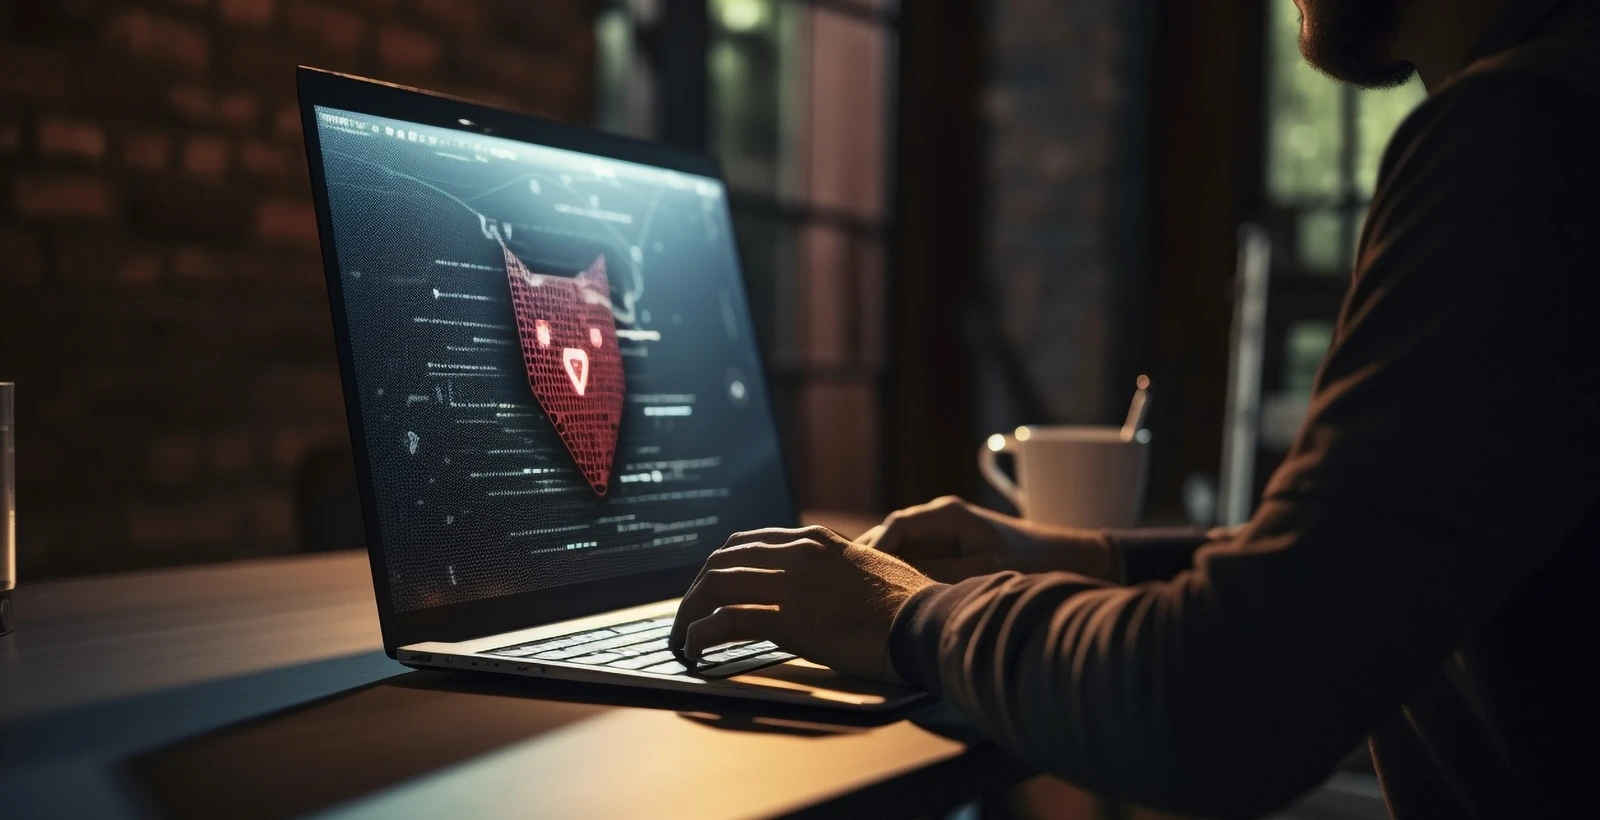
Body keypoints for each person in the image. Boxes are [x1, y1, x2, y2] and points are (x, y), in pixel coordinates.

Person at [670, 0, 1600, 816]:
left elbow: (1222, 703)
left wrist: (914, 619)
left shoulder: (1533, 132)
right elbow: (1365, 580)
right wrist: (1083, 558)